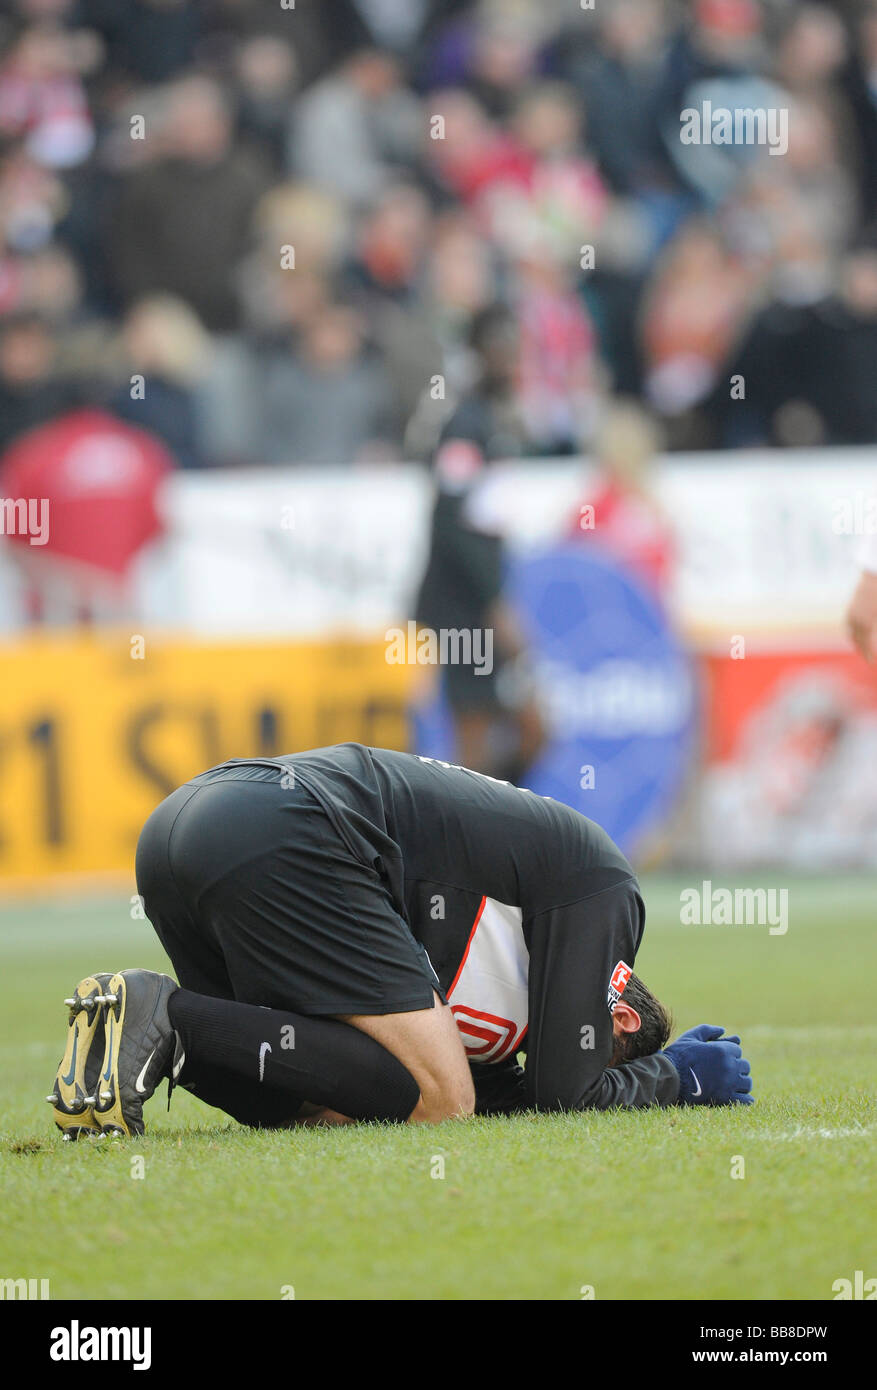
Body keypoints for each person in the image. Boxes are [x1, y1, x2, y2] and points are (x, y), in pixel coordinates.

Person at [47, 744, 754, 1138]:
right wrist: (681, 1078)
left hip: (189, 822)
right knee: (441, 1099)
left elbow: (526, 1094)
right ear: (619, 1016)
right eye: (610, 1058)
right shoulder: (604, 889)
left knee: (302, 1101)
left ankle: (138, 1034)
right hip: (288, 826)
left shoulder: (518, 995)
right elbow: (566, 1091)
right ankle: (164, 1016)